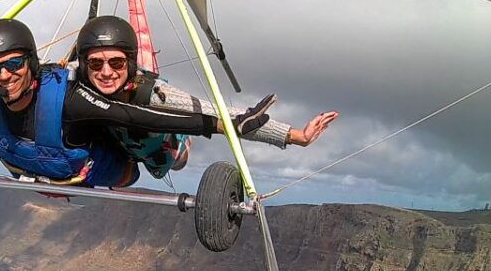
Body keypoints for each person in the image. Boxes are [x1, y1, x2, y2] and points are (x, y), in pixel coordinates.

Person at [0, 14, 295, 187]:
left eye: (14, 64)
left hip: (121, 157)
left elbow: (139, 117)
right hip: (55, 171)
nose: (4, 76)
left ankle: (179, 149)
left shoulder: (73, 101)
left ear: (30, 63)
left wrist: (225, 125)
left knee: (161, 146)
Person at [73, 15, 339, 179]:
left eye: (117, 63)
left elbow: (226, 117)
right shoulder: (80, 84)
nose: (106, 72)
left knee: (177, 160)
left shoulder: (156, 95)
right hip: (120, 147)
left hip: (164, 149)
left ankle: (183, 142)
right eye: (96, 64)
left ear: (130, 63)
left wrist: (296, 136)